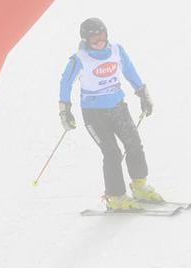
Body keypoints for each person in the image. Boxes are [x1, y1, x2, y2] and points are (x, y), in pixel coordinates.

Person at [59, 17, 164, 210]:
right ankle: (116, 197)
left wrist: (143, 94)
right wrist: (65, 110)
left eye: (102, 36)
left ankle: (139, 186)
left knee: (134, 144)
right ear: (86, 40)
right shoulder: (79, 59)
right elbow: (66, 82)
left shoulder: (116, 50)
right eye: (94, 39)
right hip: (94, 114)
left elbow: (130, 70)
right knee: (112, 153)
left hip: (118, 107)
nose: (99, 42)